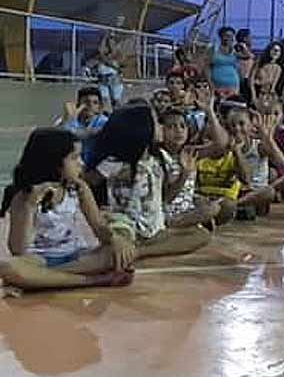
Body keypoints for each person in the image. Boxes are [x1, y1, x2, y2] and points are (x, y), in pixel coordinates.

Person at [0, 127, 140, 292]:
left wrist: (115, 239)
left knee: (120, 253)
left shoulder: (78, 188)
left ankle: (43, 278)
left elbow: (98, 226)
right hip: (39, 258)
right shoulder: (24, 196)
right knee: (7, 267)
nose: (81, 163)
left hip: (76, 256)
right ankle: (91, 280)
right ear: (55, 162)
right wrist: (30, 206)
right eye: (74, 158)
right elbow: (18, 249)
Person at [84, 103, 211, 257]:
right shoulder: (117, 162)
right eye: (156, 123)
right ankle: (129, 247)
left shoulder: (157, 160)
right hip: (126, 225)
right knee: (119, 234)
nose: (160, 127)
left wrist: (184, 175)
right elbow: (86, 183)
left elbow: (165, 198)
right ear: (142, 129)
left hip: (154, 229)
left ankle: (140, 251)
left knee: (202, 235)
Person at [158, 107, 223, 230]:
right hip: (165, 215)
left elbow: (220, 145)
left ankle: (189, 225)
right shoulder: (159, 156)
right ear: (161, 130)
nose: (178, 131)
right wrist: (185, 174)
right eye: (172, 127)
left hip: (187, 210)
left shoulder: (189, 152)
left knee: (214, 206)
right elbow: (166, 198)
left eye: (183, 126)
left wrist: (210, 111)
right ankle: (173, 226)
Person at [61, 86, 108, 159]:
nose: (91, 105)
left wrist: (70, 119)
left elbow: (79, 135)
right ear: (78, 105)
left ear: (99, 107)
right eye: (86, 102)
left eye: (95, 103)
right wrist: (67, 117)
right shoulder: (68, 119)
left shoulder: (104, 122)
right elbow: (59, 140)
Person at [206, 27, 241, 98]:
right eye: (227, 36)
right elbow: (207, 67)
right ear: (221, 36)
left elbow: (248, 56)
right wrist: (210, 84)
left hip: (233, 83)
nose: (229, 38)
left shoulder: (234, 51)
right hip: (217, 85)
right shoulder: (213, 49)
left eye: (231, 36)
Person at [235, 28, 256, 102]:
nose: (251, 39)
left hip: (247, 74)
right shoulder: (241, 46)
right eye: (249, 37)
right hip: (243, 75)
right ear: (244, 38)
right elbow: (248, 56)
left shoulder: (246, 47)